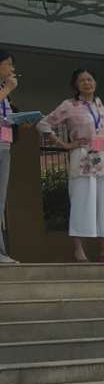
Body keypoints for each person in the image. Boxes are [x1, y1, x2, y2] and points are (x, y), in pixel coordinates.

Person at [39, 67, 104, 263]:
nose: (87, 83)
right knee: (81, 202)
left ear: (95, 82)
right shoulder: (69, 105)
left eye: (90, 79)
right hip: (83, 157)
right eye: (82, 80)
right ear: (75, 84)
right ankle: (79, 250)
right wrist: (64, 144)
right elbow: (43, 124)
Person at [0, 48, 24, 264]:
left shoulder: (4, 90)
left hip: (4, 146)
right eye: (8, 63)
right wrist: (7, 88)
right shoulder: (5, 89)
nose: (12, 68)